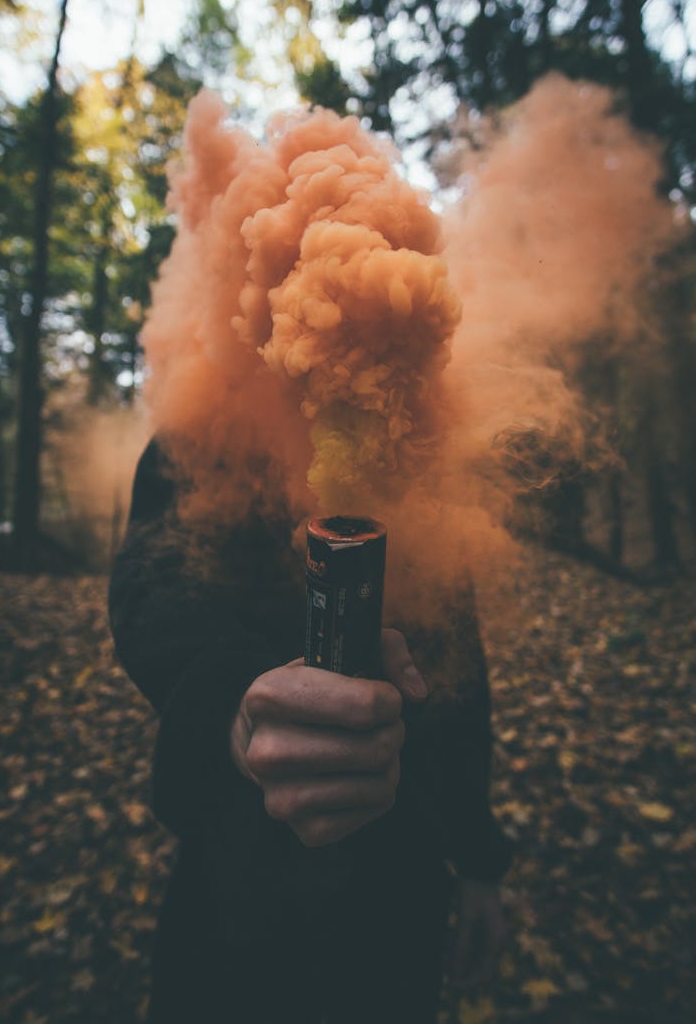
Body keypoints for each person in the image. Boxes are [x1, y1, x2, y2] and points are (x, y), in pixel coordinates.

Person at [109, 438, 513, 1023]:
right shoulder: (206, 420)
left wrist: (478, 860)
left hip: (401, 881)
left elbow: (458, 676)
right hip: (242, 875)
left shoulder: (425, 436)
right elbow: (152, 588)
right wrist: (233, 703)